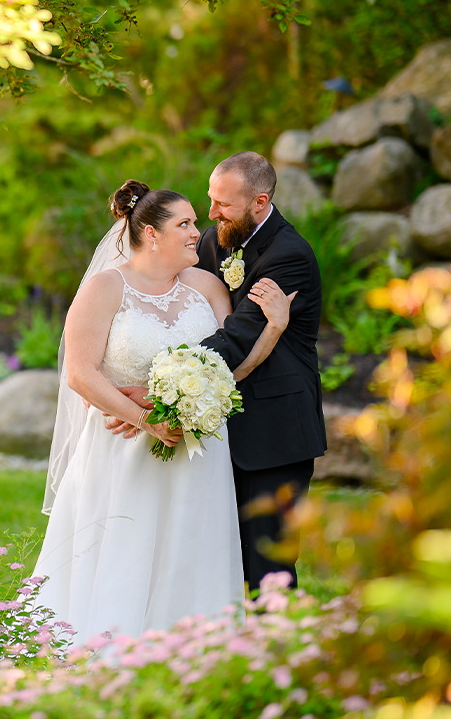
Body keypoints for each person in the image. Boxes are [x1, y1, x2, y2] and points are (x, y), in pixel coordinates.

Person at [33, 180, 293, 643]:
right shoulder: (104, 288)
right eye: (185, 224)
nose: (199, 232)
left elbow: (229, 369)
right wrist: (145, 419)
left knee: (192, 551)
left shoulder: (208, 286)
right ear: (151, 234)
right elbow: (80, 373)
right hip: (123, 448)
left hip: (198, 454)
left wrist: (274, 328)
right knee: (125, 551)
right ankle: (108, 650)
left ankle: (197, 653)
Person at [193, 152, 326, 589]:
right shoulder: (216, 240)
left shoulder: (290, 256)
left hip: (275, 432)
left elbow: (238, 336)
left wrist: (169, 377)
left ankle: (278, 652)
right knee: (216, 557)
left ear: (260, 201)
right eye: (211, 200)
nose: (211, 213)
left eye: (223, 205)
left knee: (268, 567)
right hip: (220, 424)